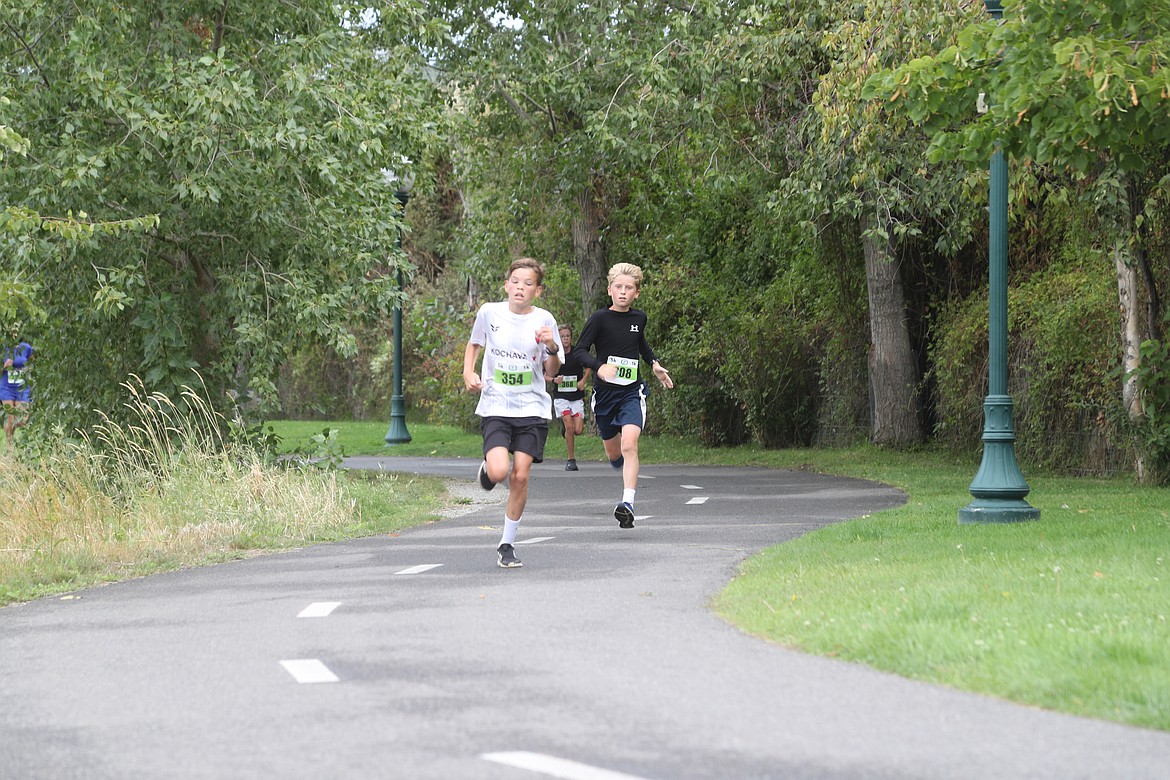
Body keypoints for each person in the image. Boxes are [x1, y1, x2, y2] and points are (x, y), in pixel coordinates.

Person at [463, 258, 563, 568]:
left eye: (528, 283)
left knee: (520, 475)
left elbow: (552, 370)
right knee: (498, 472)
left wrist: (552, 347)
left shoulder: (545, 320)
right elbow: (474, 343)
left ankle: (507, 543)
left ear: (538, 290)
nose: (520, 287)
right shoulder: (489, 313)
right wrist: (468, 372)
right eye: (516, 281)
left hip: (531, 406)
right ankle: (488, 469)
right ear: (506, 285)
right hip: (496, 404)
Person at [575, 263, 673, 528]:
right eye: (618, 287)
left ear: (636, 293)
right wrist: (599, 366)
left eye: (628, 288)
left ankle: (627, 503)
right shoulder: (599, 319)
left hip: (632, 392)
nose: (623, 292)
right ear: (609, 290)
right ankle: (616, 459)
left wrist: (654, 364)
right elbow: (579, 351)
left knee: (630, 444)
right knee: (614, 453)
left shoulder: (638, 319)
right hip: (605, 395)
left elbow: (640, 344)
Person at [547, 323, 591, 471]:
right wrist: (554, 380)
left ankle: (565, 430)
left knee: (578, 430)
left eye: (567, 336)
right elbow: (543, 375)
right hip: (561, 397)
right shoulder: (554, 355)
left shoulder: (577, 353)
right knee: (570, 426)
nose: (565, 339)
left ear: (571, 338)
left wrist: (583, 381)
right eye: (562, 336)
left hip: (576, 396)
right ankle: (571, 460)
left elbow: (589, 365)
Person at [1, 341, 34, 450]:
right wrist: (4, 367)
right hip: (7, 387)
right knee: (10, 419)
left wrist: (27, 369)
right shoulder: (3, 348)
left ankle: (19, 440)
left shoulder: (26, 347)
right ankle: (10, 447)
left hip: (22, 387)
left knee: (22, 420)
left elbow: (33, 363)